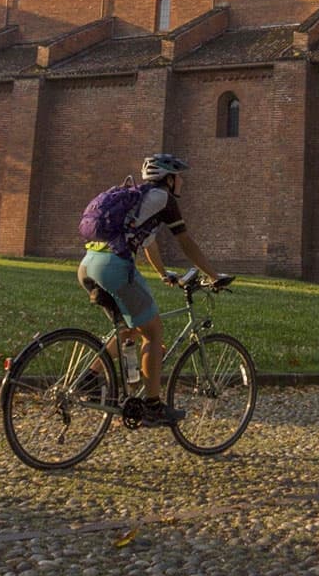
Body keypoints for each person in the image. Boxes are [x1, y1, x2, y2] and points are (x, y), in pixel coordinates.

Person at [76, 153, 227, 426]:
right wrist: (214, 276)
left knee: (132, 326)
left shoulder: (141, 200)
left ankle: (89, 378)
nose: (181, 181)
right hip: (114, 267)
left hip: (88, 265)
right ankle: (153, 407)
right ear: (168, 179)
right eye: (178, 176)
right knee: (154, 331)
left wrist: (162, 274)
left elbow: (148, 243)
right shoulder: (163, 199)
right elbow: (185, 242)